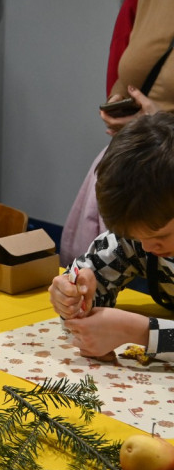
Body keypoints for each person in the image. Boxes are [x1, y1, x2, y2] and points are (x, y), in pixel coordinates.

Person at [61, 0, 174, 263]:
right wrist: (121, 112)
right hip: (137, 175)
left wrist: (159, 125)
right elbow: (125, 78)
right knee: (98, 296)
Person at [50, 112, 174, 361]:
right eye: (136, 237)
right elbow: (87, 276)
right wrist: (74, 296)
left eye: (161, 235)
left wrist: (138, 331)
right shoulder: (137, 238)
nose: (147, 247)